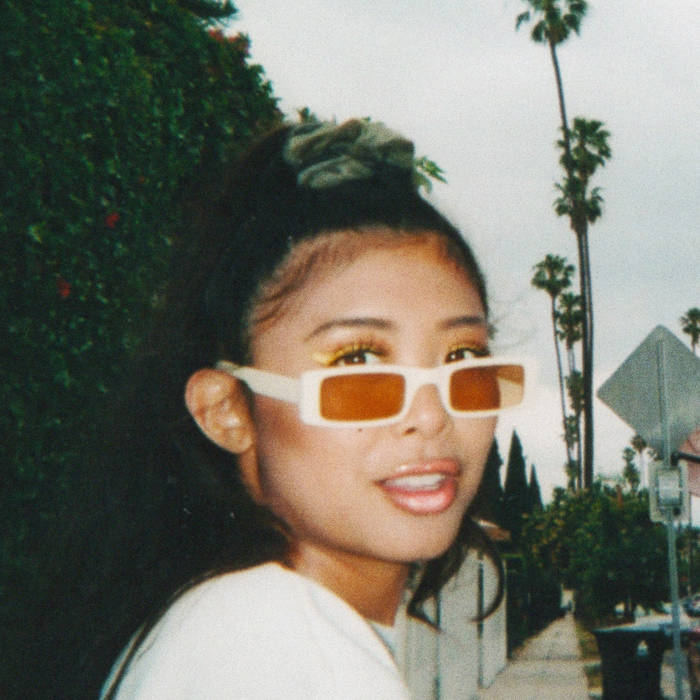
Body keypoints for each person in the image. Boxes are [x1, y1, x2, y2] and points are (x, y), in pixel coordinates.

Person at [50, 119, 528, 698]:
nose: (431, 415)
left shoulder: (229, 628)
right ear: (226, 409)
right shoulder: (281, 648)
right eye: (357, 362)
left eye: (463, 357)